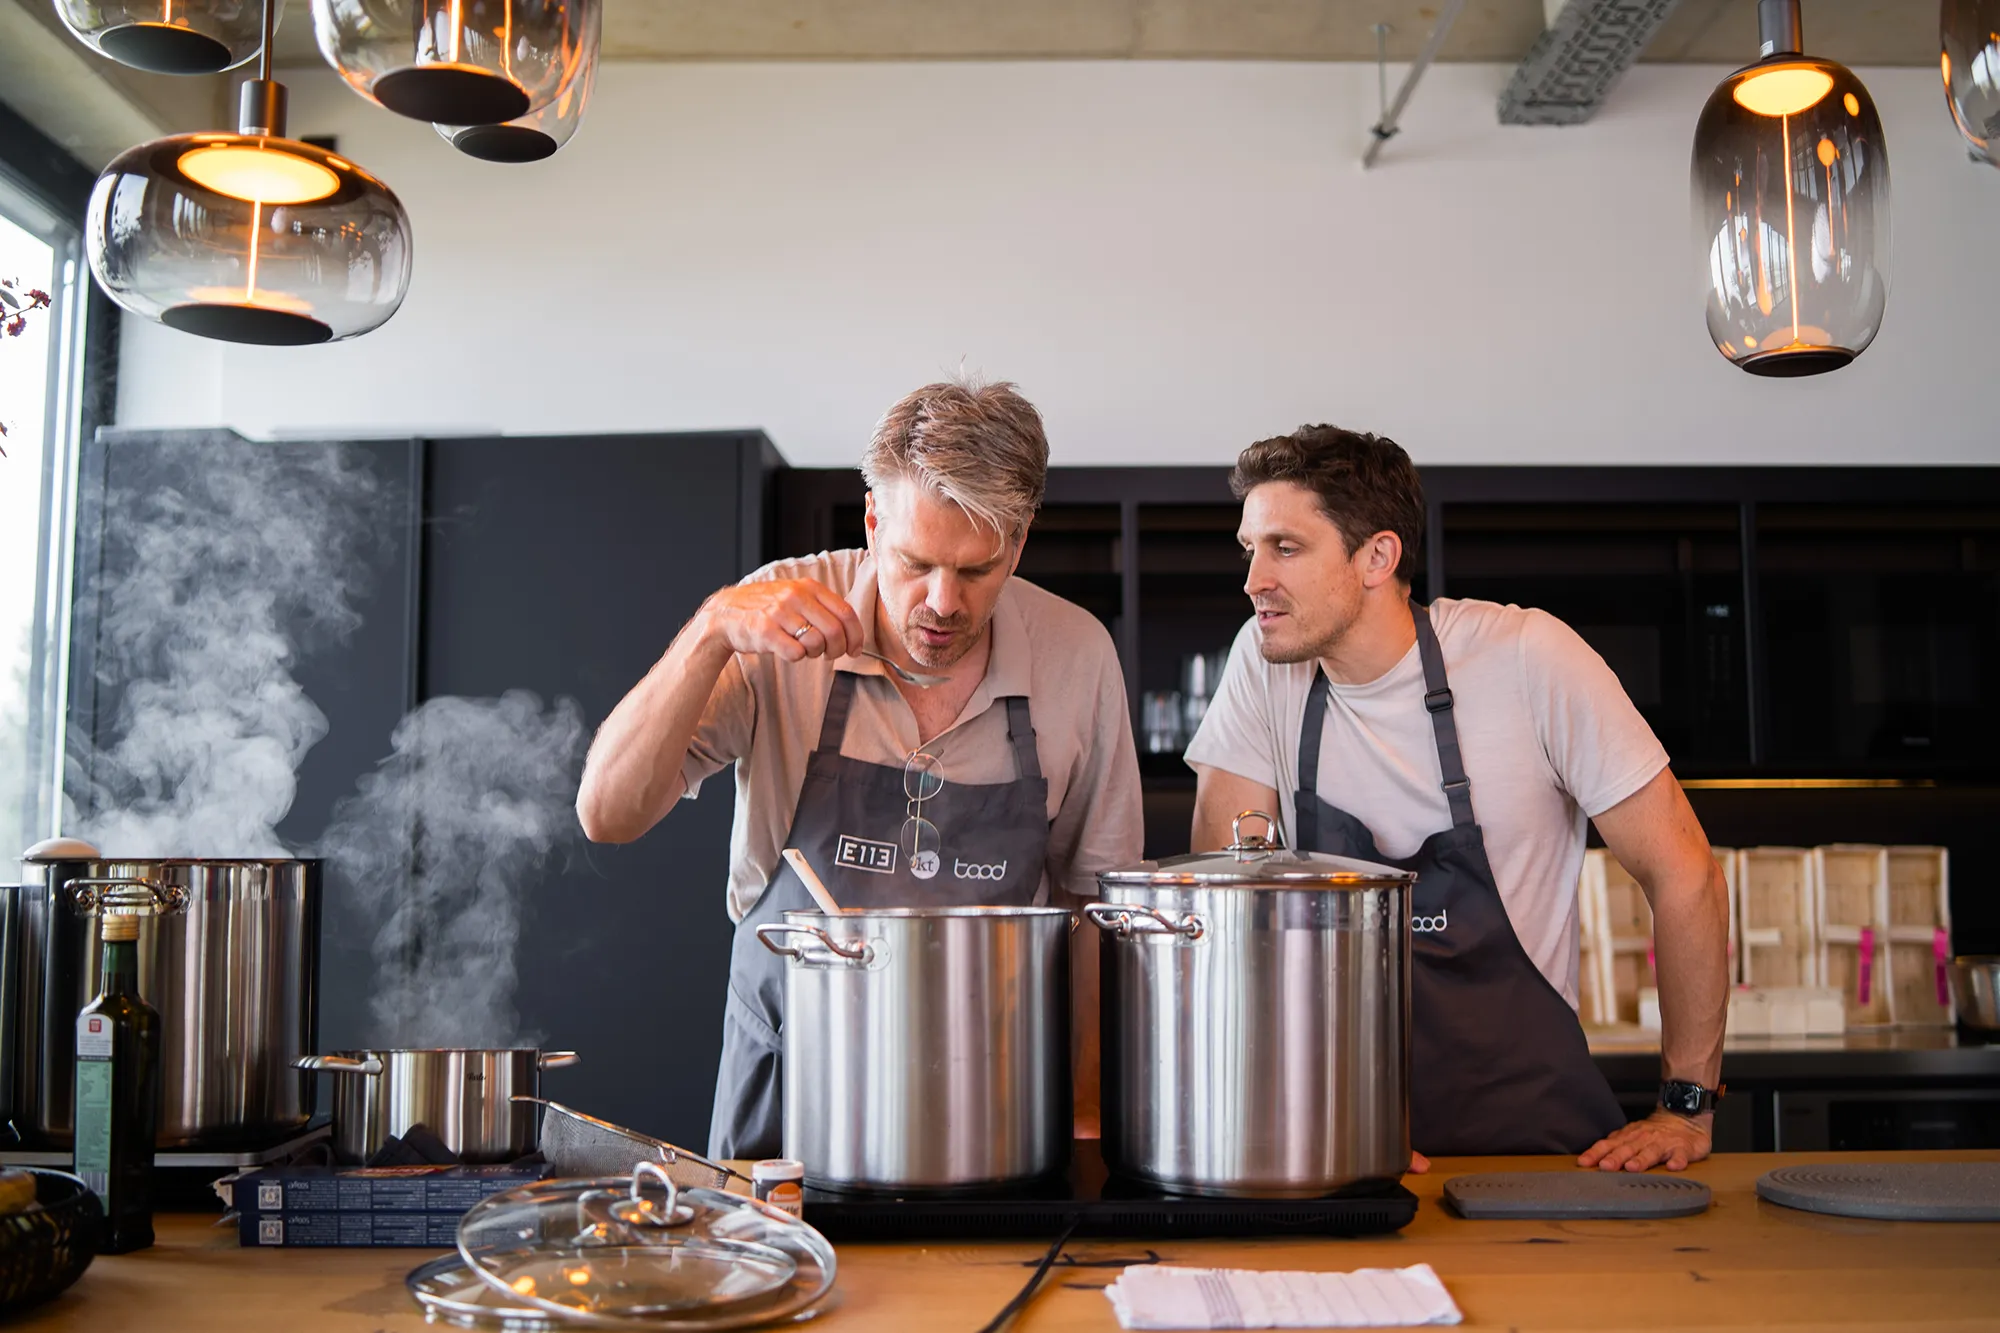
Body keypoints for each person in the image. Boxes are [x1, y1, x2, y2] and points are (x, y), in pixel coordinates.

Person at [576, 378, 1143, 1160]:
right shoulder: (776, 614)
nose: (942, 602)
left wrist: (1085, 1118)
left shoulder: (1077, 656)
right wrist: (712, 630)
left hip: (996, 1103)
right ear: (874, 521)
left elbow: (1094, 908)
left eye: (976, 569)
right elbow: (607, 812)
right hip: (788, 1087)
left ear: (1018, 540)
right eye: (915, 561)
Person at [1185, 426, 1729, 1172]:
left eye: (1285, 547)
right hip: (1348, 1151)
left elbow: (1685, 869)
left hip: (1539, 1159)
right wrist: (1288, 1115)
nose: (1253, 579)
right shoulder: (1263, 663)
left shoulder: (1528, 658)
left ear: (1378, 555)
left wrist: (1686, 1106)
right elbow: (1221, 907)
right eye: (1249, 548)